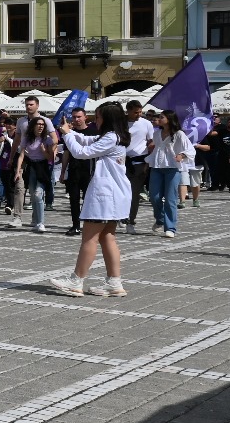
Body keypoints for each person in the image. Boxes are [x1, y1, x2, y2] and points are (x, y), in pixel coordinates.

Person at [50, 103, 133, 297]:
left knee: (89, 237)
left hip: (106, 194)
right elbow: (88, 140)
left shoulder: (111, 137)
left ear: (107, 118)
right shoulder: (116, 136)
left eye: (97, 117)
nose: (95, 120)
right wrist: (69, 132)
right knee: (107, 237)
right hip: (115, 193)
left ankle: (75, 280)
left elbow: (82, 153)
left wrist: (67, 135)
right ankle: (114, 282)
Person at [147, 109, 193, 239]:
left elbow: (190, 150)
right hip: (156, 167)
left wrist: (182, 155)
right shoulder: (157, 133)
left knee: (170, 199)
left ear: (169, 119)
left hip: (172, 169)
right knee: (154, 197)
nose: (158, 119)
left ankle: (170, 227)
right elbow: (156, 148)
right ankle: (160, 219)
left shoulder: (179, 134)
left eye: (161, 117)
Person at [12, 115, 55, 233]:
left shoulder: (47, 139)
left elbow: (50, 157)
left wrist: (43, 150)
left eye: (42, 125)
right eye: (38, 124)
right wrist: (18, 171)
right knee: (32, 194)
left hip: (42, 167)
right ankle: (36, 220)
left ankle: (41, 223)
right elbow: (21, 155)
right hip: (31, 167)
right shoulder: (26, 139)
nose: (40, 126)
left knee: (37, 194)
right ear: (33, 126)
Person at [62, 106, 96, 236]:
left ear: (85, 117)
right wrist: (63, 171)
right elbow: (66, 152)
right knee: (73, 199)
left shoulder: (93, 131)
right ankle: (75, 225)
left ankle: (89, 224)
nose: (76, 119)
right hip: (74, 170)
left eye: (79, 117)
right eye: (74, 117)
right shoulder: (69, 132)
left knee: (88, 199)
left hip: (89, 170)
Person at [123, 100, 154, 232]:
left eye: (140, 112)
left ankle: (131, 221)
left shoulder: (146, 123)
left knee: (134, 193)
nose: (139, 115)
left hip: (139, 161)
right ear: (128, 111)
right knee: (121, 192)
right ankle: (120, 217)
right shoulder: (120, 123)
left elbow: (151, 142)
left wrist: (148, 160)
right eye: (136, 112)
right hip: (121, 161)